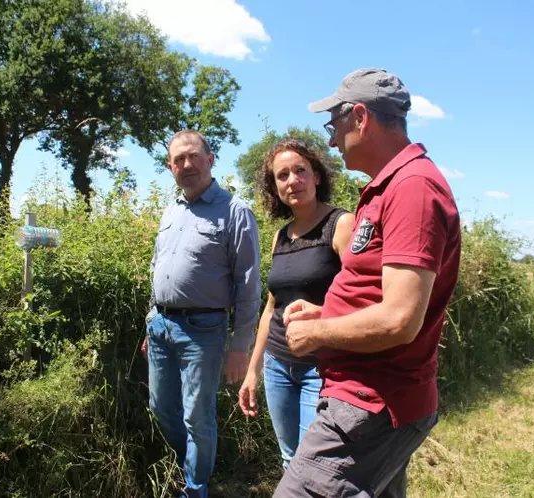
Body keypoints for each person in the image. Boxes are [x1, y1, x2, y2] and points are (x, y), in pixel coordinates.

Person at [273, 68, 461, 498]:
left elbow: (399, 320)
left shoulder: (413, 189)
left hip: (371, 401)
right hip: (367, 395)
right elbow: (381, 294)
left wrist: (316, 333)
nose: (331, 139)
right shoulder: (389, 187)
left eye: (334, 124)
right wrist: (328, 312)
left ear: (361, 118)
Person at [144, 130, 261, 498]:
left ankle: (195, 488)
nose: (186, 165)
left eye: (193, 156)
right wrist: (151, 321)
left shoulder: (235, 212)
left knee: (197, 416)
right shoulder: (171, 210)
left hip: (203, 330)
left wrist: (240, 346)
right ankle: (189, 465)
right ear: (170, 167)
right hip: (161, 326)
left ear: (211, 159)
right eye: (178, 160)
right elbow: (157, 267)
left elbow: (249, 286)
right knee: (161, 407)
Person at [237, 139, 354, 469]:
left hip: (323, 369)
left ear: (317, 176)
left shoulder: (341, 225)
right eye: (282, 175)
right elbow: (271, 307)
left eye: (300, 171)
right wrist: (253, 370)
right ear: (275, 187)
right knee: (290, 460)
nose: (292, 181)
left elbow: (366, 296)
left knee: (316, 465)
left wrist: (322, 317)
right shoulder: (281, 236)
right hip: (277, 366)